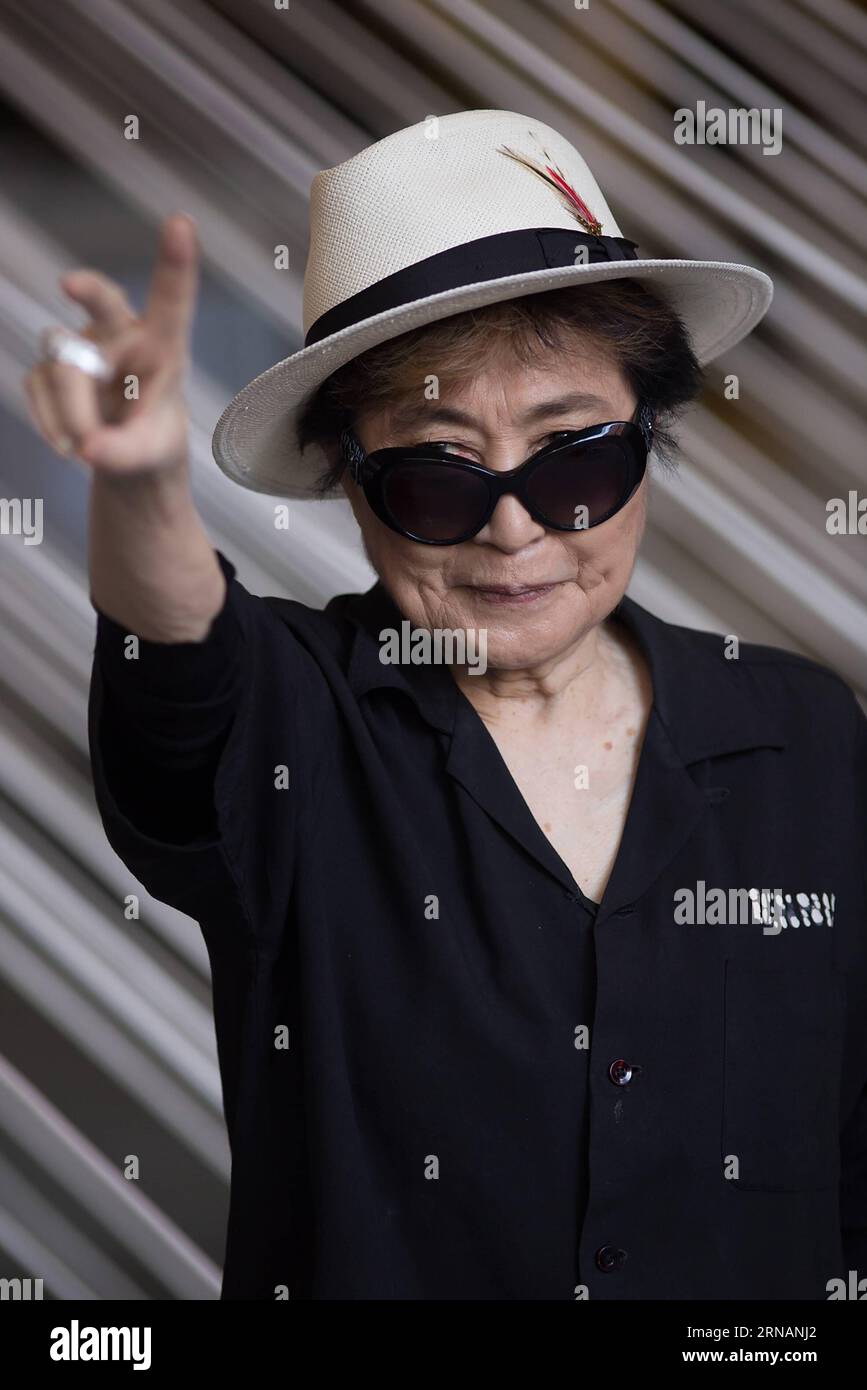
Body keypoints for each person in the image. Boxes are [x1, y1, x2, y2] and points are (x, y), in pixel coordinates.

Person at [24, 110, 866, 1301]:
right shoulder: (296, 723)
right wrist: (146, 485)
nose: (514, 528)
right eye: (436, 473)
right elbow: (182, 657)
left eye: (575, 457)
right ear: (349, 487)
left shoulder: (806, 736)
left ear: (650, 441)